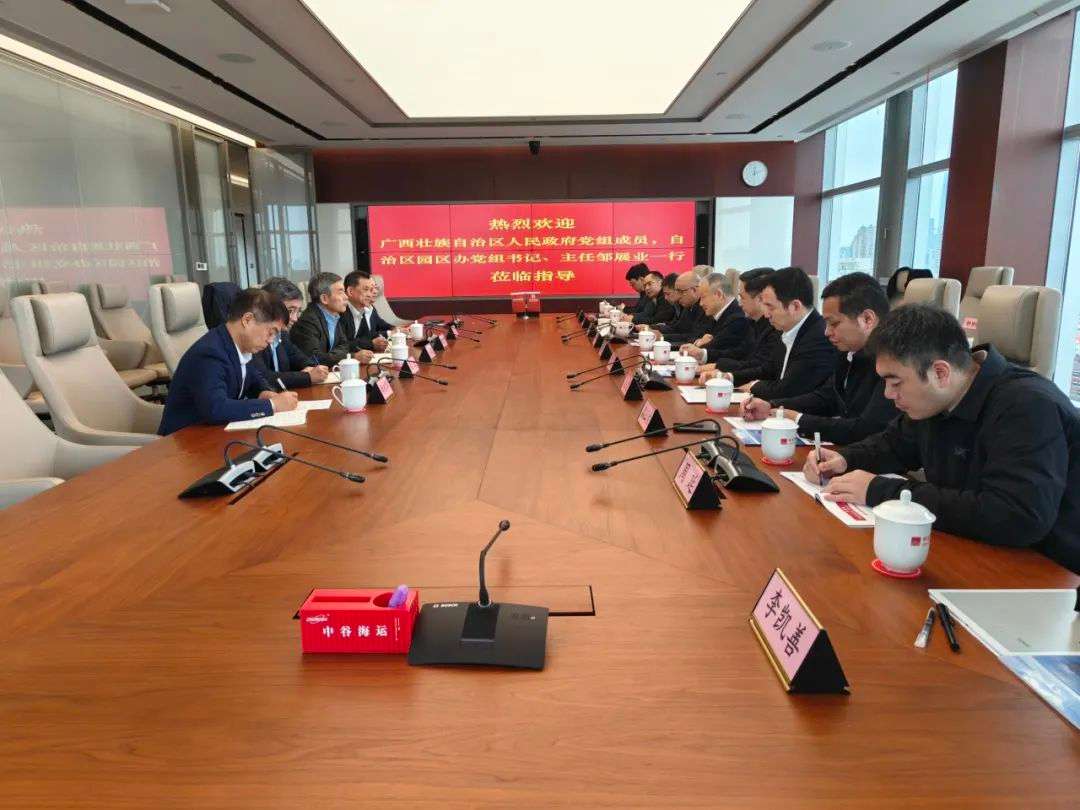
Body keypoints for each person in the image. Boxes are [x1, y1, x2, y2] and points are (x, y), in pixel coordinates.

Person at [805, 304, 1080, 574]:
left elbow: (1016, 515)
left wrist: (881, 491)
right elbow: (895, 444)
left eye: (895, 382)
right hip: (972, 548)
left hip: (1045, 571)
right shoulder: (938, 398)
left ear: (940, 373)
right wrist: (845, 458)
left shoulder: (1027, 406)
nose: (888, 394)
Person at [740, 271, 897, 444]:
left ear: (867, 319)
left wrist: (798, 420)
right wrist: (773, 407)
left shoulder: (894, 361)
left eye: (834, 323)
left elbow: (865, 429)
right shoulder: (848, 352)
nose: (827, 332)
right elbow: (827, 397)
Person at [158, 288, 298, 435]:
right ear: (247, 320)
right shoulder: (210, 353)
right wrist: (271, 405)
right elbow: (216, 408)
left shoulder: (239, 346)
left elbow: (253, 379)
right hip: (183, 440)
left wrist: (265, 392)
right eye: (271, 332)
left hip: (213, 434)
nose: (270, 340)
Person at [709, 266, 835, 400]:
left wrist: (754, 386)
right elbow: (767, 370)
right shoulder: (786, 328)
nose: (766, 314)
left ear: (795, 306)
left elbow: (789, 389)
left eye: (770, 307)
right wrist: (730, 377)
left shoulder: (818, 337)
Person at [251, 277, 329, 389]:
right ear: (268, 308)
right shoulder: (254, 338)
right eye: (290, 311)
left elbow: (298, 357)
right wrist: (306, 377)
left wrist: (312, 368)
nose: (295, 318)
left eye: (298, 311)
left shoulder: (282, 334)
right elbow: (264, 378)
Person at [696, 268, 778, 374]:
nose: (739, 303)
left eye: (742, 297)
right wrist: (714, 362)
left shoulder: (774, 328)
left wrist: (723, 370)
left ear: (760, 298)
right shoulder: (752, 323)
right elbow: (740, 353)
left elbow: (761, 366)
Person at [291, 271, 374, 367]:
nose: (346, 297)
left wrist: (331, 356)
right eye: (340, 292)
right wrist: (352, 356)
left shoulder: (333, 315)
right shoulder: (307, 322)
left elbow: (344, 346)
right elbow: (315, 358)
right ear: (324, 299)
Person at [676, 271, 750, 362]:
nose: (700, 303)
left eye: (703, 297)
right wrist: (699, 342)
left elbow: (714, 348)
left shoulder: (737, 319)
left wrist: (699, 344)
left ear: (719, 294)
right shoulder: (715, 314)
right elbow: (699, 336)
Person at [652, 268, 713, 346]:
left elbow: (693, 336)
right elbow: (677, 328)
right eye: (677, 291)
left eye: (681, 292)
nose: (678, 296)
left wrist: (662, 337)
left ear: (694, 290)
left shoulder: (705, 308)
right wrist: (654, 329)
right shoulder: (688, 305)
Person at [342, 271, 394, 353]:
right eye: (366, 289)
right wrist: (371, 344)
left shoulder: (362, 309)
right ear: (350, 291)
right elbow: (340, 345)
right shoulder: (340, 312)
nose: (370, 294)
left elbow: (367, 336)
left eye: (371, 290)